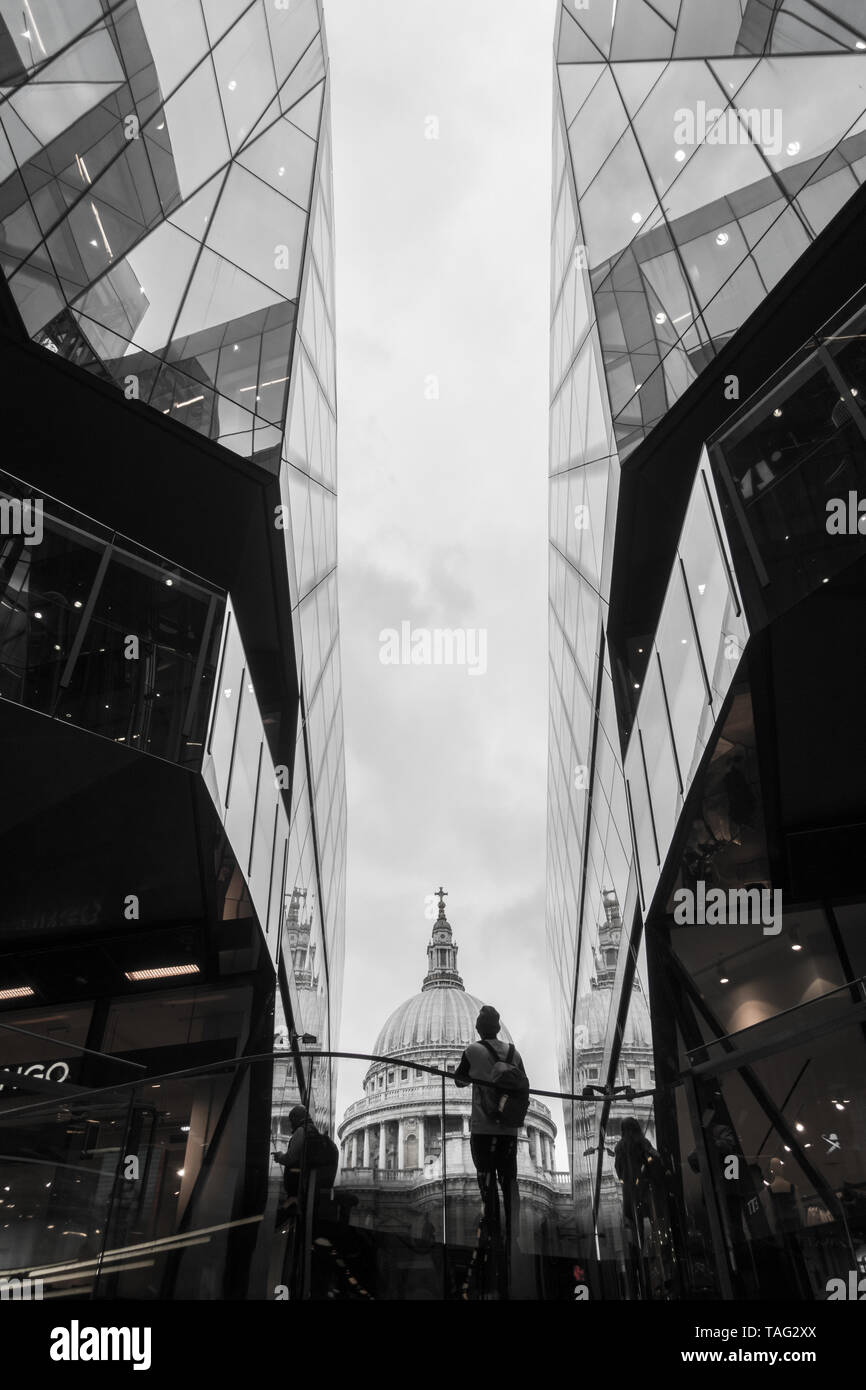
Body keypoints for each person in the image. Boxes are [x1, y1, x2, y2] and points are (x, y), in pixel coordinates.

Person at [454, 1005, 525, 1253]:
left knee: (486, 1178)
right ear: (498, 1028)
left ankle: (492, 1228)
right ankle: (514, 1232)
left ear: (478, 1028)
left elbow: (459, 1080)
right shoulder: (514, 1053)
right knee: (509, 1181)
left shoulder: (473, 1050)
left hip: (483, 1127)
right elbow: (524, 1088)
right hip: (509, 1130)